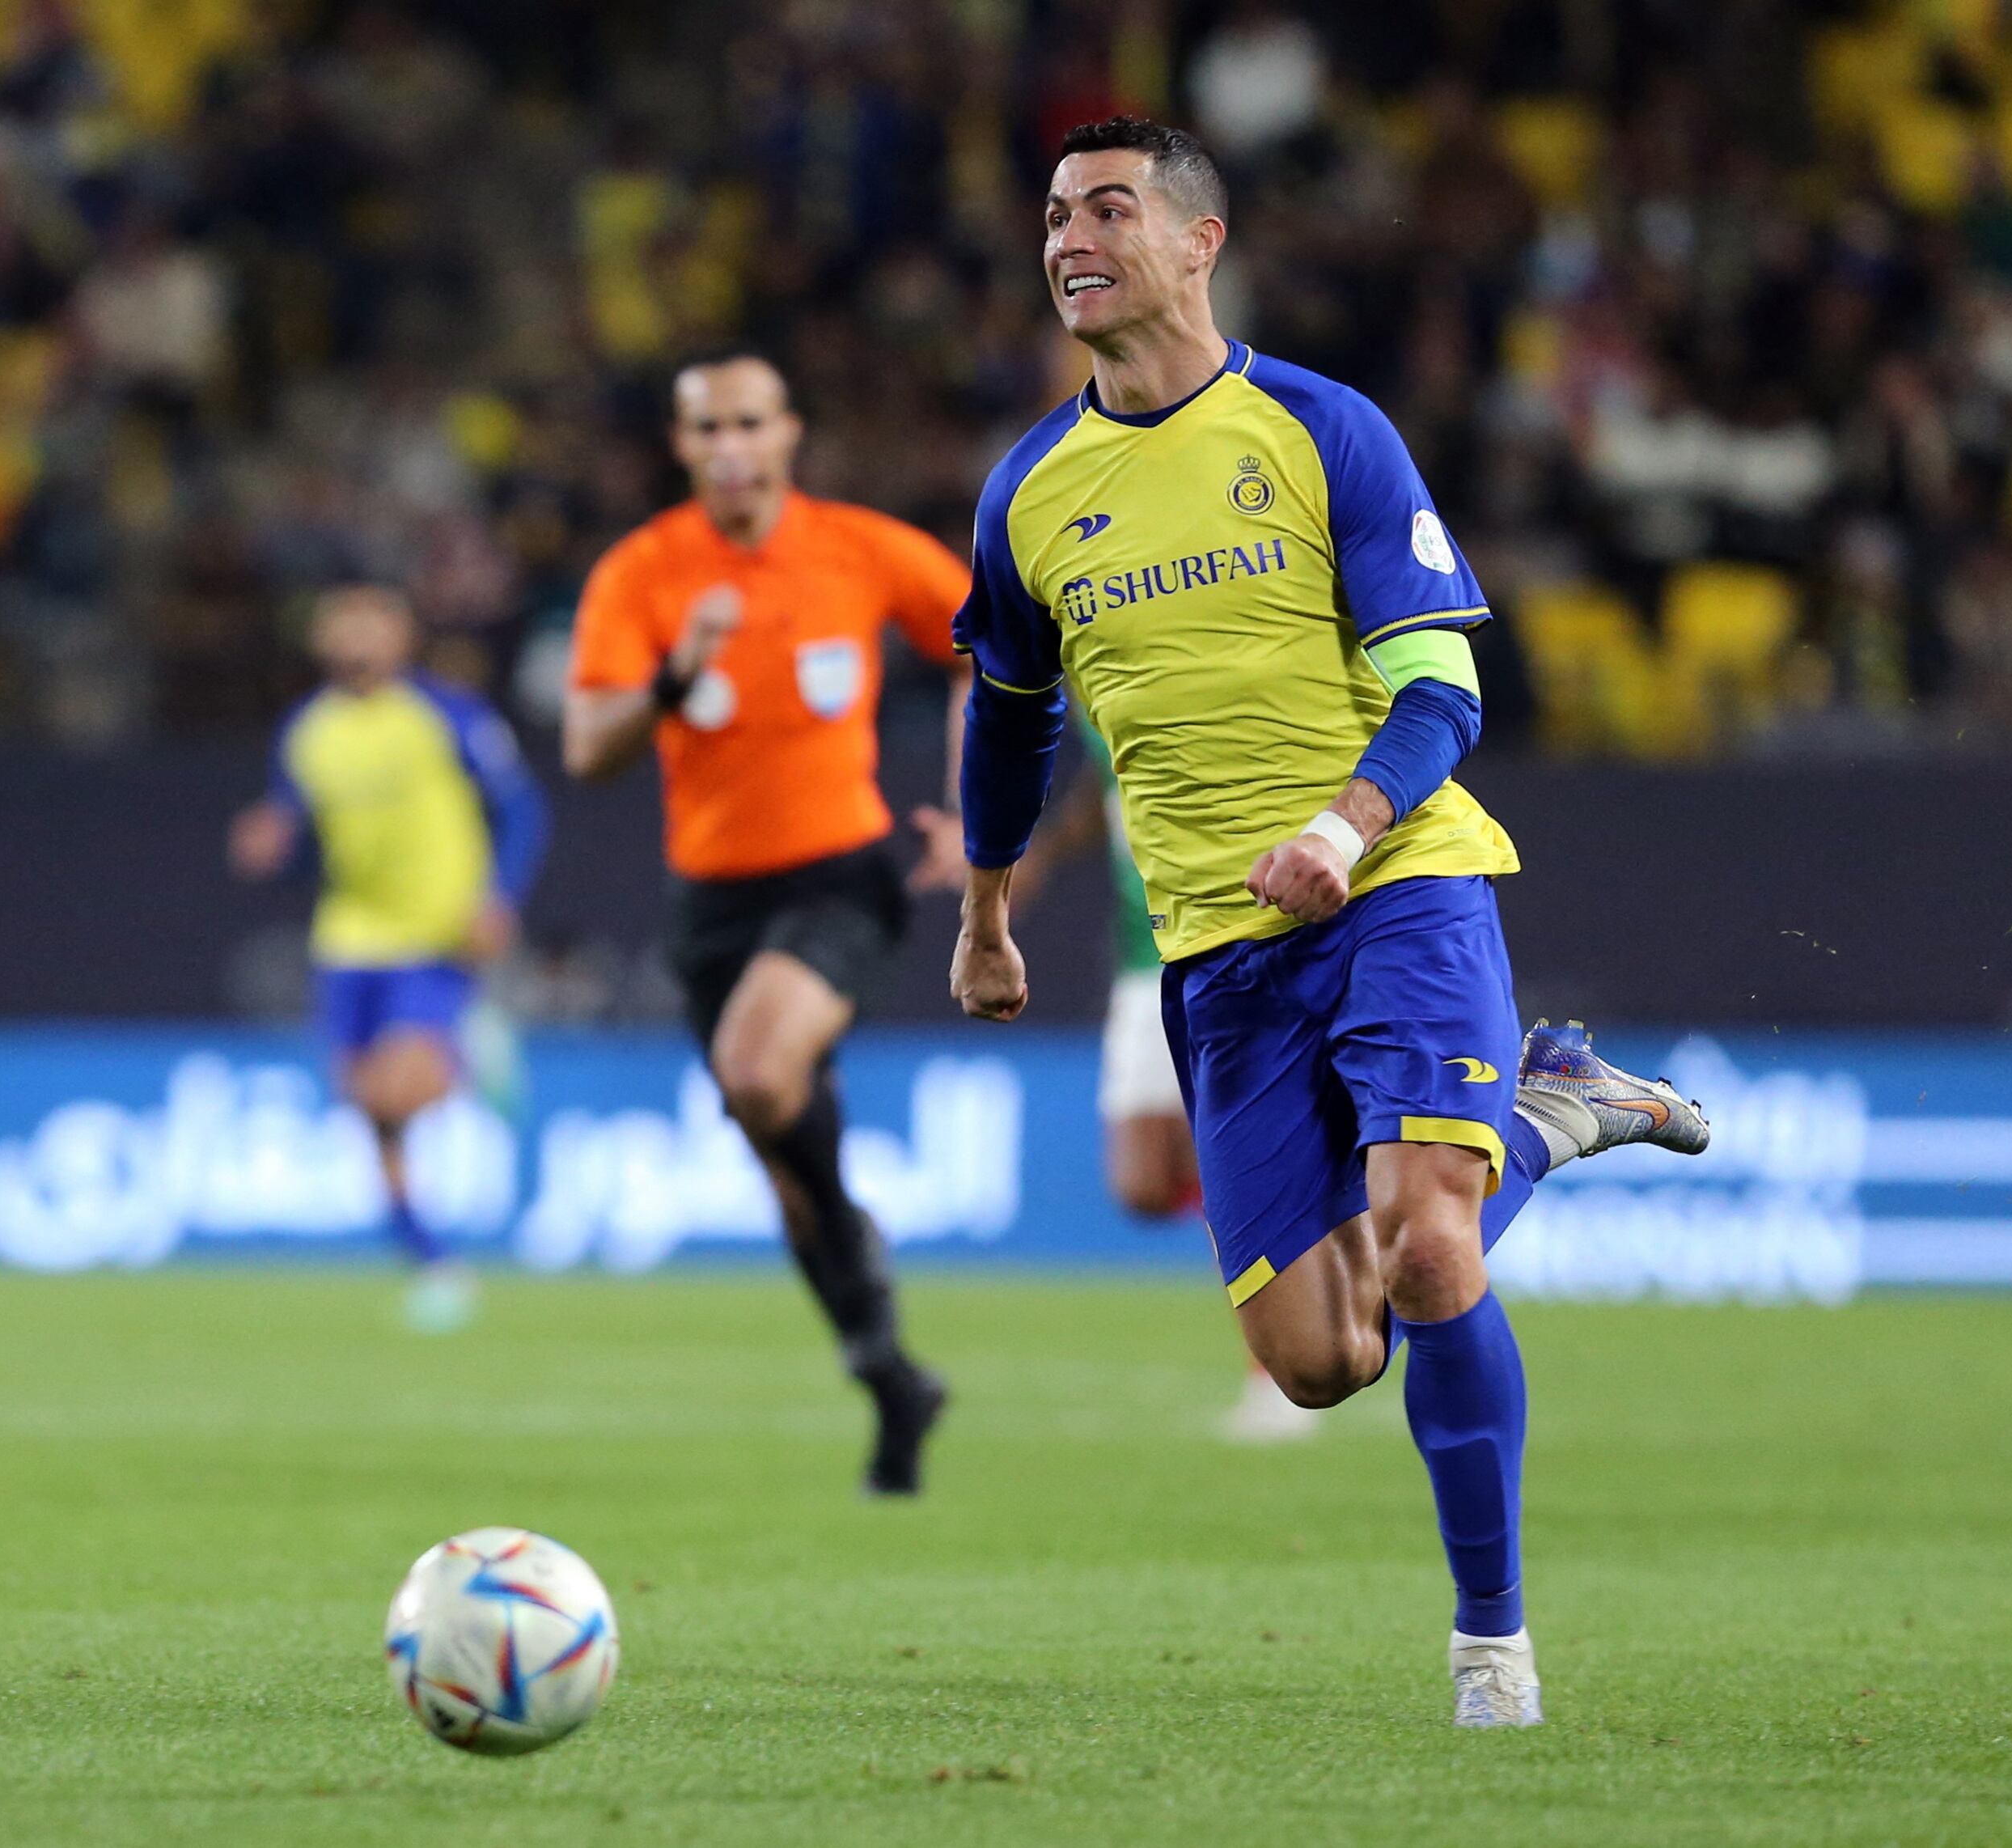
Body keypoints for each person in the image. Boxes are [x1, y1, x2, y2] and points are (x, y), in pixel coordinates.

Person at [948, 117, 1711, 1727]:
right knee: (1313, 1356)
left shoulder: (1320, 429)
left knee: (1430, 1243)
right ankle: (1555, 1107)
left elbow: (1444, 684)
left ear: (1196, 240)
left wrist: (1343, 820)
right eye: (1050, 216)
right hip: (1218, 950)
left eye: (1103, 208)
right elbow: (1007, 722)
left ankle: (1489, 1646)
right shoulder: (1027, 490)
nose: (1066, 238)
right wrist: (987, 908)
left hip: (1395, 879)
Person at [561, 351, 972, 1497]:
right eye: (706, 428)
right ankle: (886, 1371)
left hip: (839, 874)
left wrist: (973, 806)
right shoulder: (643, 574)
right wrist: (670, 680)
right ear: (681, 446)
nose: (731, 445)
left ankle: (857, 1263)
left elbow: (989, 654)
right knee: (787, 1176)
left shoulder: (862, 548)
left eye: (750, 422)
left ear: (788, 432)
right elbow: (587, 751)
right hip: (711, 903)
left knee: (754, 1070)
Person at [964, 709, 1319, 1442]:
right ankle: (1309, 1211)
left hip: (1220, 942)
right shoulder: (1093, 679)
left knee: (1224, 1170)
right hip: (1139, 954)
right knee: (1144, 1185)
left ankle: (1275, 1374)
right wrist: (1049, 851)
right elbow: (1110, 780)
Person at [231, 584, 549, 1333]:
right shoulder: (306, 732)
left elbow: (522, 809)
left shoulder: (448, 714)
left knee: (401, 1091)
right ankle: (436, 1265)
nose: (357, 640)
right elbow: (310, 846)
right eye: (342, 626)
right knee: (370, 1112)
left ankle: (473, 1055)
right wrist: (277, 845)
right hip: (349, 936)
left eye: (372, 626)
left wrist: (497, 896)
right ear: (320, 640)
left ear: (402, 637)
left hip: (434, 930)